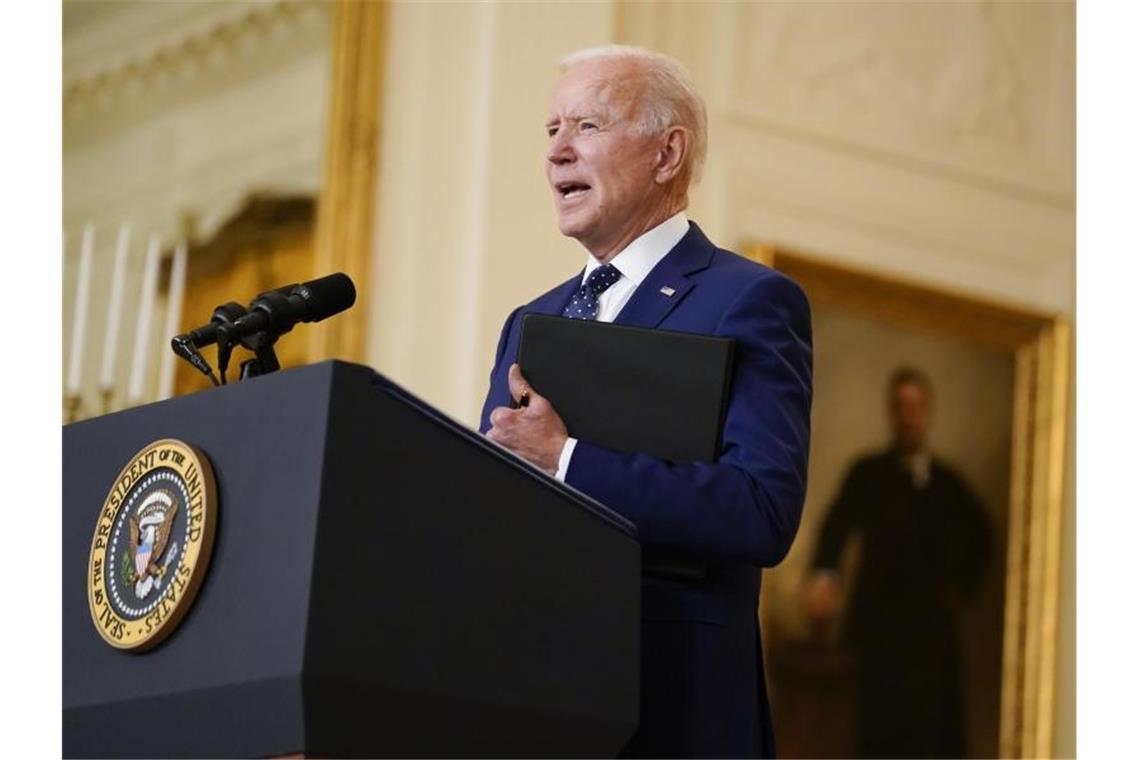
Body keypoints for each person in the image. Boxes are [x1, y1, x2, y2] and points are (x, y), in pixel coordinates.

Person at [479, 45, 813, 758]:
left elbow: (761, 511)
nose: (557, 152)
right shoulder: (529, 324)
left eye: (587, 127)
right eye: (550, 131)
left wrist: (566, 460)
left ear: (667, 154)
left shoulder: (746, 301)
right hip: (533, 701)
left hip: (674, 707)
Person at [802, 367, 992, 759]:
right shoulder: (867, 473)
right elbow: (836, 527)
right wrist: (824, 577)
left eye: (917, 407)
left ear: (928, 413)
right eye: (902, 407)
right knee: (876, 739)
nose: (909, 417)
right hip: (878, 636)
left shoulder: (949, 485)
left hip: (931, 642)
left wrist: (961, 588)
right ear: (892, 413)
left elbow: (982, 539)